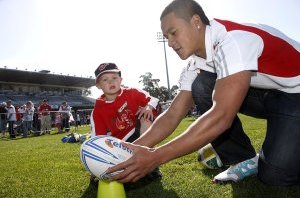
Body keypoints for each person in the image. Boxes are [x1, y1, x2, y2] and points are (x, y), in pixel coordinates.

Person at [107, 0, 300, 187]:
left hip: (295, 96)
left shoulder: (232, 40)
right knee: (202, 85)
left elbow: (221, 117)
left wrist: (155, 156)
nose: (170, 43)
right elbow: (174, 113)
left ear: (196, 22)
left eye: (173, 33)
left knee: (275, 176)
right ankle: (243, 158)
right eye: (166, 37)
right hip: (271, 94)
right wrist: (127, 152)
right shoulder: (196, 61)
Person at [90, 62, 162, 186]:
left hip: (141, 134)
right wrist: (96, 163)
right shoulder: (98, 110)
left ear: (121, 80)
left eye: (114, 78)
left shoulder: (132, 92)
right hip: (121, 144)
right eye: (105, 80)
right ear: (98, 85)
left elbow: (153, 100)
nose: (111, 82)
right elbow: (98, 138)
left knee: (145, 117)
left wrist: (148, 107)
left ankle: (151, 164)